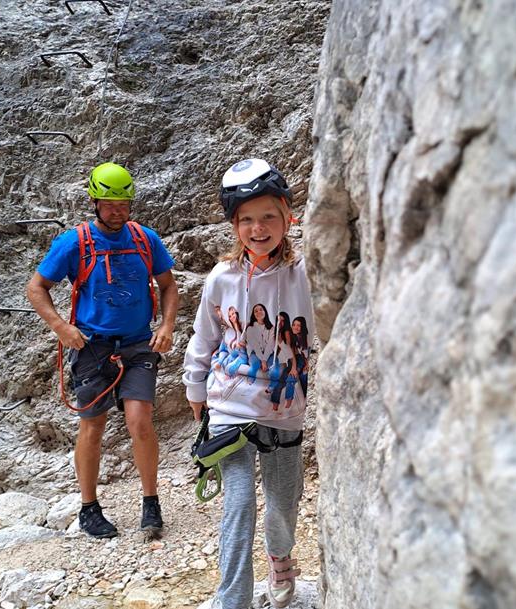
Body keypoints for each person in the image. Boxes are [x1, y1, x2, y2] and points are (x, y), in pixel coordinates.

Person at [184, 158, 314, 609]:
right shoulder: (223, 278)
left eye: (267, 217)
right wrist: (195, 388)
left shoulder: (306, 275)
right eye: (245, 220)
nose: (257, 228)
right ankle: (231, 600)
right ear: (234, 225)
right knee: (238, 506)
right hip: (229, 406)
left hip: (284, 407)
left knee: (283, 503)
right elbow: (205, 335)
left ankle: (280, 557)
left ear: (287, 215)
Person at [26, 162, 179, 539]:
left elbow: (168, 285)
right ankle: (89, 508)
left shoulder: (145, 239)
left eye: (124, 204)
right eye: (110, 204)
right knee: (92, 425)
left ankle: (150, 503)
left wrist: (167, 325)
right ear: (94, 201)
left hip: (137, 344)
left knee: (140, 421)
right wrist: (61, 327)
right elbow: (36, 288)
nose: (118, 211)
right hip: (92, 346)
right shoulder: (73, 243)